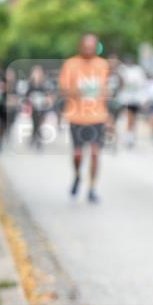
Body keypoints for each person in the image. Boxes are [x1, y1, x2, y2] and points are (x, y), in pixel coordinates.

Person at [58, 34, 110, 203]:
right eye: (86, 47)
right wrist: (79, 92)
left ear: (96, 47)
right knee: (78, 155)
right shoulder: (70, 64)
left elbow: (105, 90)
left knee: (95, 153)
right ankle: (77, 176)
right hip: (76, 117)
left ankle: (92, 187)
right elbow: (63, 90)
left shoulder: (103, 65)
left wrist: (110, 117)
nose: (89, 50)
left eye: (92, 47)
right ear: (80, 47)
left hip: (97, 116)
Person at [118, 55, 148, 149]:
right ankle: (129, 136)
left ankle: (131, 136)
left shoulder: (138, 70)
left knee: (133, 118)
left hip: (136, 99)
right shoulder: (123, 70)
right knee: (129, 117)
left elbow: (142, 84)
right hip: (127, 98)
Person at [25, 64, 55, 151]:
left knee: (40, 124)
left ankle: (39, 142)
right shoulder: (31, 84)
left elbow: (50, 95)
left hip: (43, 108)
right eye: (35, 72)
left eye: (38, 72)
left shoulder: (45, 84)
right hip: (33, 108)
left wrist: (48, 100)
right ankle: (34, 138)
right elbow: (26, 96)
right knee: (35, 124)